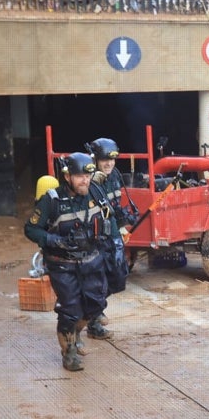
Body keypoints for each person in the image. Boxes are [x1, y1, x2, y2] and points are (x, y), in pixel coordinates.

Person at [24, 152, 111, 372]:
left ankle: (76, 332)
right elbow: (31, 229)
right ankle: (69, 352)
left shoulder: (96, 192)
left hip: (92, 260)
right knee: (70, 310)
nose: (85, 180)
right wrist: (52, 239)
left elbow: (109, 216)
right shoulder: (51, 200)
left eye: (88, 175)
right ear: (67, 177)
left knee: (94, 307)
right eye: (80, 176)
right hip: (62, 264)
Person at [86, 137, 137, 339]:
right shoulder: (85, 178)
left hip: (112, 233)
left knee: (118, 275)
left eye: (112, 159)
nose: (109, 164)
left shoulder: (114, 175)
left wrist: (122, 224)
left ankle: (93, 311)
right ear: (95, 159)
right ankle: (93, 319)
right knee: (96, 279)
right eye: (104, 160)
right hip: (94, 237)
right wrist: (91, 183)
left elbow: (114, 205)